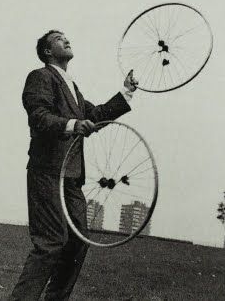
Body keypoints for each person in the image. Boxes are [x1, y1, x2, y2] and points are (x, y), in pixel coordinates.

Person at [9, 30, 138, 300]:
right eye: (58, 38)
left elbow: (96, 116)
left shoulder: (73, 88)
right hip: (47, 172)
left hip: (71, 177)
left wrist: (126, 90)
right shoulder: (40, 77)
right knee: (51, 242)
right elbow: (39, 117)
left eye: (66, 37)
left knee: (78, 242)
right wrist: (72, 124)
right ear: (47, 51)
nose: (66, 40)